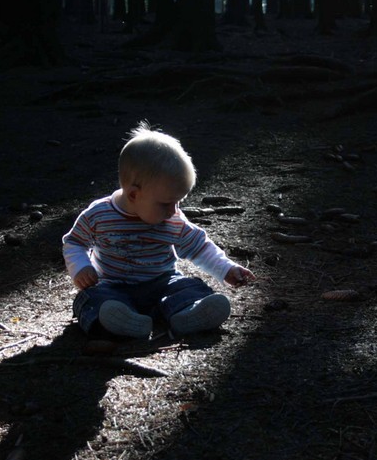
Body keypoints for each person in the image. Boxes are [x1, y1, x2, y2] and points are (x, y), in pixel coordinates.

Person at [62, 122, 256, 340]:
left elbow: (199, 247)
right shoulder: (99, 215)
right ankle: (124, 323)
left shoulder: (172, 218)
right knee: (92, 299)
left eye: (178, 202)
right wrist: (80, 266)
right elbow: (75, 242)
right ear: (134, 195)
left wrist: (225, 269)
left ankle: (188, 315)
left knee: (188, 287)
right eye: (166, 203)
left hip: (162, 283)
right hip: (113, 287)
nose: (173, 210)